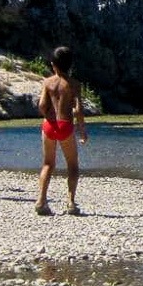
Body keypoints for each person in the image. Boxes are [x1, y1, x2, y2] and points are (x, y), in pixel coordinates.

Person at [35, 46, 88, 216]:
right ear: (70, 65)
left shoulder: (47, 82)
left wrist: (48, 116)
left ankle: (41, 201)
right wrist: (82, 130)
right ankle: (71, 202)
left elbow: (42, 105)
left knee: (48, 163)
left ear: (53, 65)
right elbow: (78, 110)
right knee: (72, 165)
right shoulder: (74, 84)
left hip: (49, 125)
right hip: (65, 124)